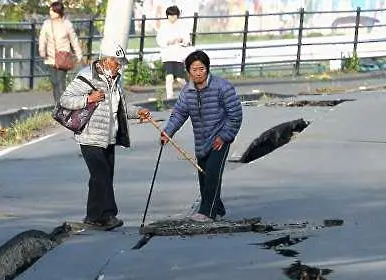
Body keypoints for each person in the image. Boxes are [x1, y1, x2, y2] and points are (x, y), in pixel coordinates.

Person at [60, 41, 150, 230]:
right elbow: (65, 100)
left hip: (109, 137)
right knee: (101, 176)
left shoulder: (115, 80)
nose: (120, 66)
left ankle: (93, 216)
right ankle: (108, 215)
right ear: (106, 60)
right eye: (117, 62)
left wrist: (138, 111)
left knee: (102, 176)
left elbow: (120, 108)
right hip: (90, 136)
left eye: (121, 63)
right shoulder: (86, 77)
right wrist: (88, 98)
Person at [160, 50, 243, 222]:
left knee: (213, 173)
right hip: (201, 140)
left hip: (220, 138)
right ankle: (217, 207)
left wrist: (225, 136)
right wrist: (168, 132)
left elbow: (235, 114)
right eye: (194, 69)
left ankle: (207, 212)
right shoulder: (187, 92)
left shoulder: (222, 87)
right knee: (204, 176)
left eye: (202, 69)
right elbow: (179, 114)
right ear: (188, 71)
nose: (198, 73)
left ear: (207, 69)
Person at [39, 1, 83, 104]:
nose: (50, 13)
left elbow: (74, 40)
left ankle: (63, 104)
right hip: (50, 57)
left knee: (60, 82)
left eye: (52, 10)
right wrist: (42, 51)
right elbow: (42, 39)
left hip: (63, 57)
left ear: (58, 12)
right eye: (50, 10)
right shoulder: (47, 24)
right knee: (54, 82)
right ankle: (57, 104)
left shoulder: (67, 24)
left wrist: (79, 54)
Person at [156, 5, 192, 99]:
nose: (172, 17)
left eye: (174, 15)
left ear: (177, 16)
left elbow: (187, 40)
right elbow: (159, 40)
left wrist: (182, 41)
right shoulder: (163, 27)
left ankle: (189, 92)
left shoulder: (182, 26)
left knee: (180, 78)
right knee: (169, 77)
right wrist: (168, 42)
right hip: (167, 56)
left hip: (178, 56)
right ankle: (169, 97)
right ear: (167, 16)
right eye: (170, 15)